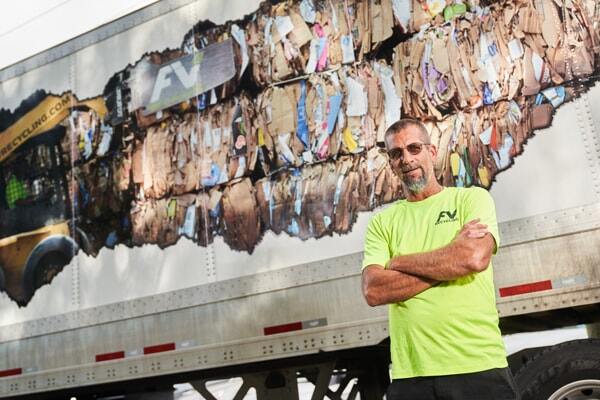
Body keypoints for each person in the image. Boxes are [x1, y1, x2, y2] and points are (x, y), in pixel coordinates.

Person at [361, 119, 519, 400]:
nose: (407, 159)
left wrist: (398, 262)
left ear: (431, 152)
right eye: (397, 153)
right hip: (413, 376)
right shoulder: (382, 223)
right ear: (391, 163)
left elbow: (472, 259)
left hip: (478, 365)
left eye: (414, 148)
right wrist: (449, 261)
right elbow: (374, 290)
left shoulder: (471, 200)